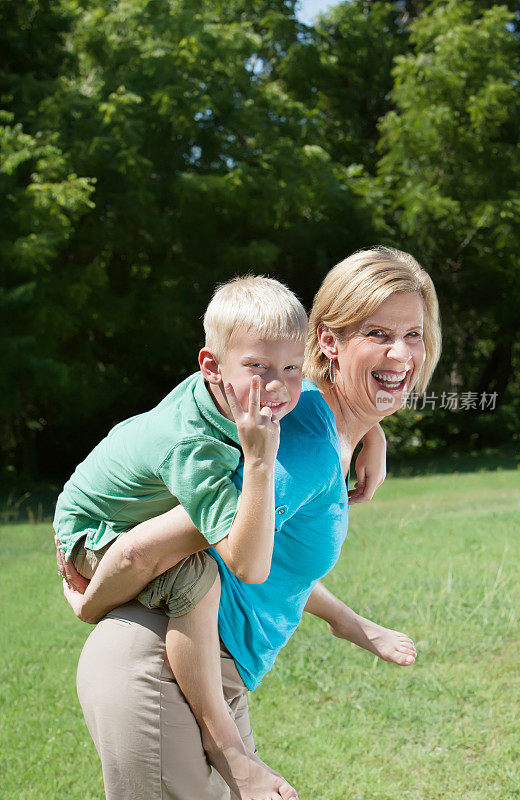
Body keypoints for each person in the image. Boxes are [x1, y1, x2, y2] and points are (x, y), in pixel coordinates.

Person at [61, 247, 440, 800]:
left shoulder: (311, 419)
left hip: (208, 674)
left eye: (414, 334)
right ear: (329, 341)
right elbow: (145, 549)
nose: (401, 353)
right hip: (158, 671)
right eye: (377, 333)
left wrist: (352, 623)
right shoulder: (302, 443)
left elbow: (273, 560)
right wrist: (87, 599)